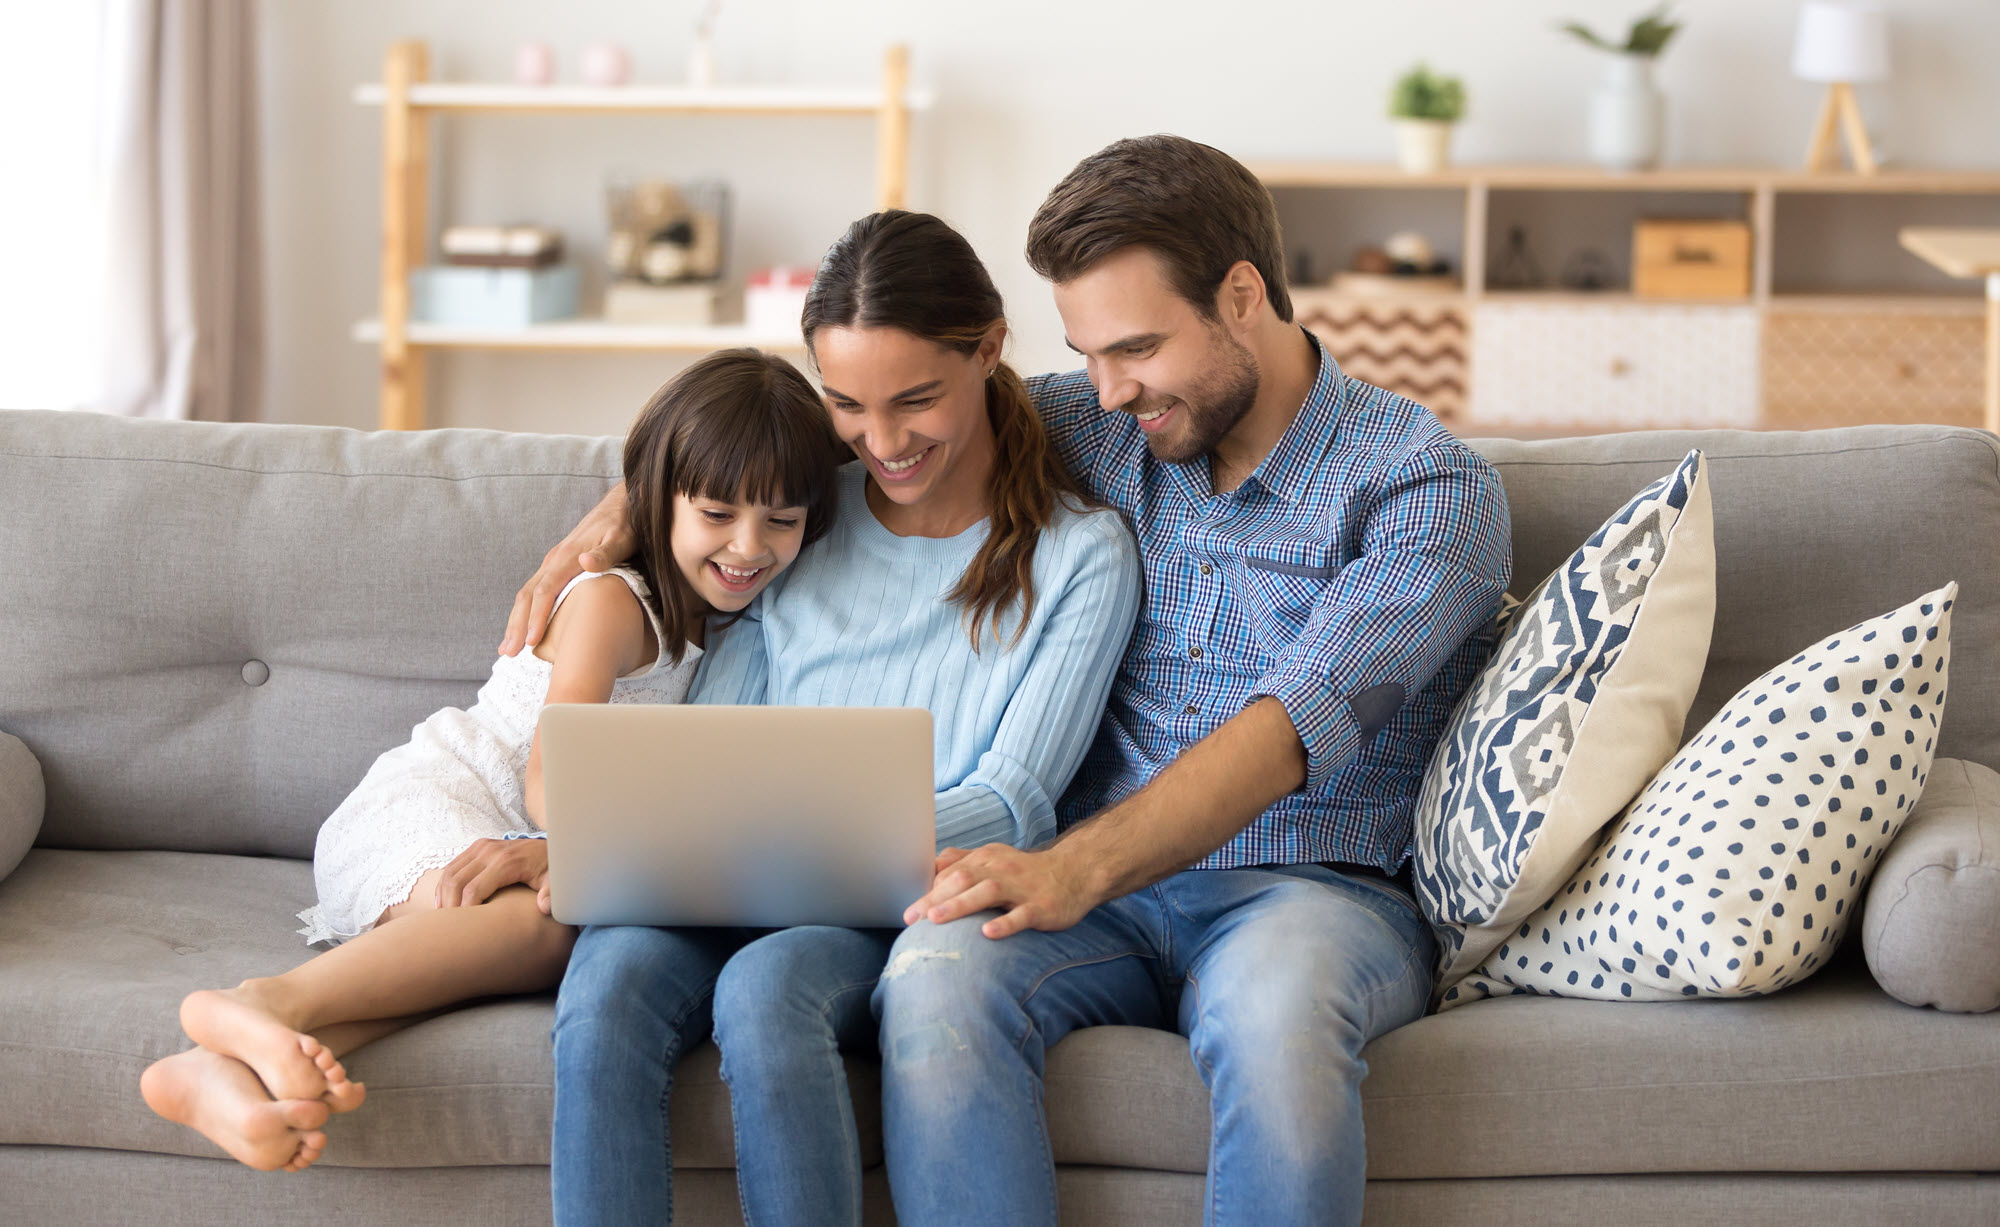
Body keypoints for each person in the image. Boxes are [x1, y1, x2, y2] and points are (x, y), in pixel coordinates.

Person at [869, 135, 1514, 1226]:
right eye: (1086, 351)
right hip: (1091, 894)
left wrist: (1072, 870)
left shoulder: (1424, 491)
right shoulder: (1092, 425)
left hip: (1312, 894)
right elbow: (859, 443)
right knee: (929, 976)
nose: (1109, 388)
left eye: (1136, 347)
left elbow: (1286, 731)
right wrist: (625, 516)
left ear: (1242, 295)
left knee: (1275, 1015)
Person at [500, 210, 1141, 1227]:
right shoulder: (803, 517)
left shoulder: (1079, 554)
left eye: (916, 401)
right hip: (721, 869)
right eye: (846, 405)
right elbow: (717, 725)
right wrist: (602, 840)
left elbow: (1013, 800)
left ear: (986, 351)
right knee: (606, 981)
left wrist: (807, 844)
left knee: (765, 992)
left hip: (886, 905)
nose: (881, 443)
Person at [139, 348, 843, 1175]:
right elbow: (553, 771)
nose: (748, 547)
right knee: (551, 928)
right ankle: (260, 1000)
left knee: (513, 950)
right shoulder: (615, 602)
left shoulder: (722, 615)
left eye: (782, 522)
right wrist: (582, 853)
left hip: (513, 829)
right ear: (656, 502)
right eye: (718, 514)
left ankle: (220, 1069)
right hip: (439, 799)